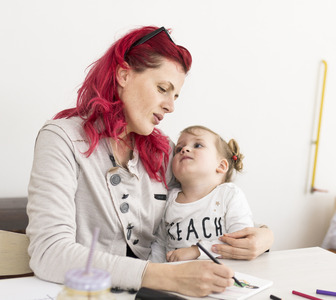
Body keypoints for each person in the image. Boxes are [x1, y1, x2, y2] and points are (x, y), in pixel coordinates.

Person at [26, 26, 273, 297]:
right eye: (162, 89)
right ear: (124, 75)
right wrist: (165, 277)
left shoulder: (165, 151)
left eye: (175, 95)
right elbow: (49, 253)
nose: (171, 106)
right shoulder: (61, 138)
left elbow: (206, 203)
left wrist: (262, 235)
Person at [157, 125, 254, 262]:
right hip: (177, 278)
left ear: (221, 166)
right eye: (179, 149)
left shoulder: (228, 195)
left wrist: (197, 251)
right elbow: (160, 244)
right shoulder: (169, 199)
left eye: (197, 145)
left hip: (224, 274)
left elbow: (241, 241)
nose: (185, 149)